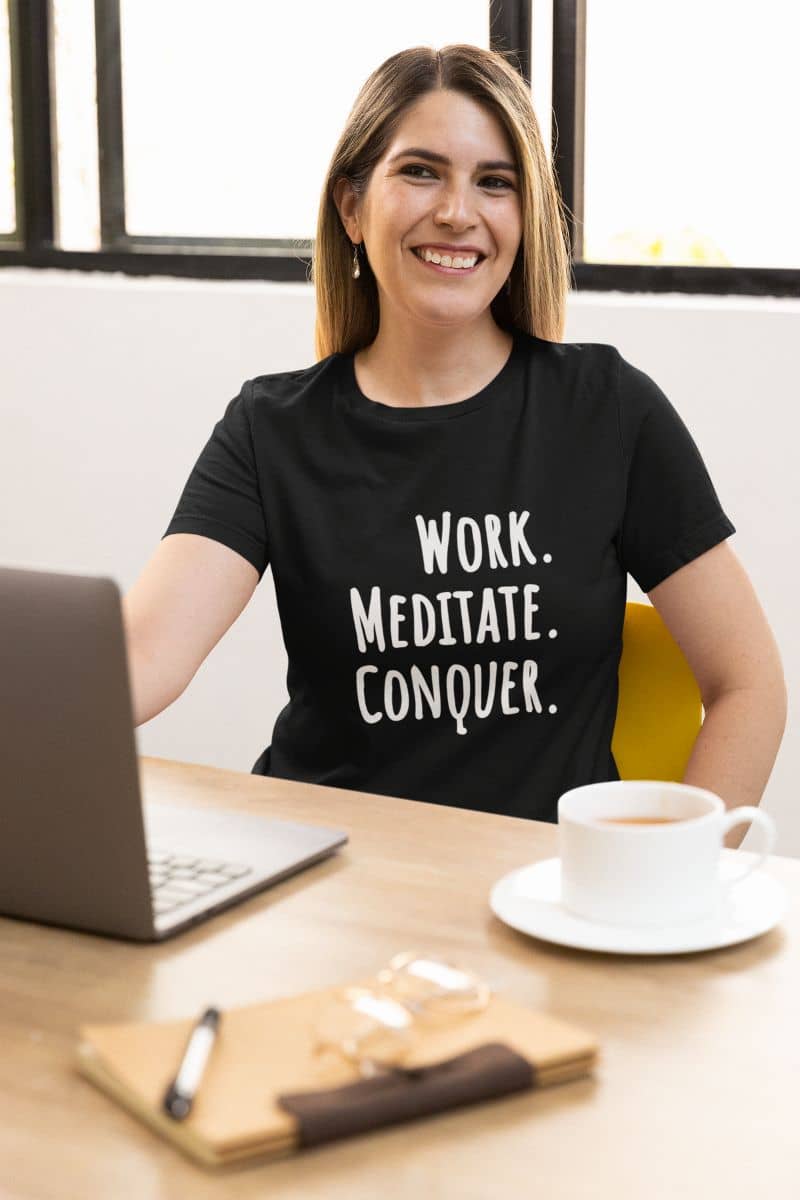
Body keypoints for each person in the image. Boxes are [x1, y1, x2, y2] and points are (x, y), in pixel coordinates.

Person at [122, 44, 786, 842]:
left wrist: (682, 876)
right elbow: (140, 660)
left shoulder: (606, 410)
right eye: (421, 172)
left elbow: (749, 683)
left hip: (542, 896)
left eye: (494, 182)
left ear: (523, 216)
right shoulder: (271, 428)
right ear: (351, 207)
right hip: (325, 883)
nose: (458, 212)